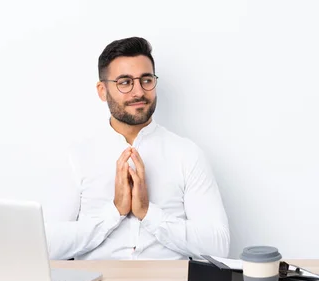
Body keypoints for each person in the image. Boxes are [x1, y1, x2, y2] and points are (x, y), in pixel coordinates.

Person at [45, 37, 229, 260]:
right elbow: (48, 245)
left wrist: (148, 213)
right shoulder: (77, 157)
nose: (138, 92)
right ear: (102, 91)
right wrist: (114, 212)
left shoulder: (187, 154)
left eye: (146, 80)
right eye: (125, 82)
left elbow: (218, 246)